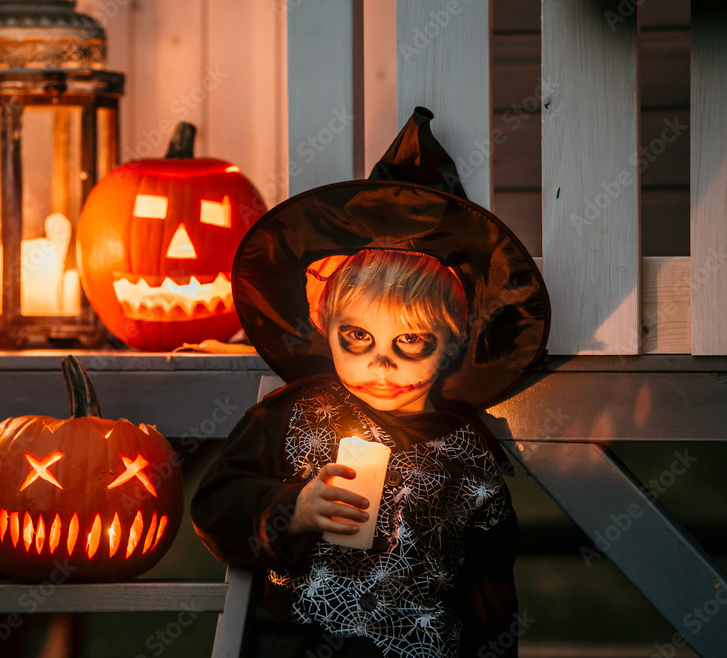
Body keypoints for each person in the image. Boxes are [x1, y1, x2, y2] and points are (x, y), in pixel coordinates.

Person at [191, 108, 551, 657]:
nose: (380, 365)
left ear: (454, 342)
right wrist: (294, 509)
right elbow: (216, 505)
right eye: (357, 339)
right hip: (299, 643)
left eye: (410, 343)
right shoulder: (293, 416)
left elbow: (491, 588)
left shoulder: (468, 452)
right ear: (325, 326)